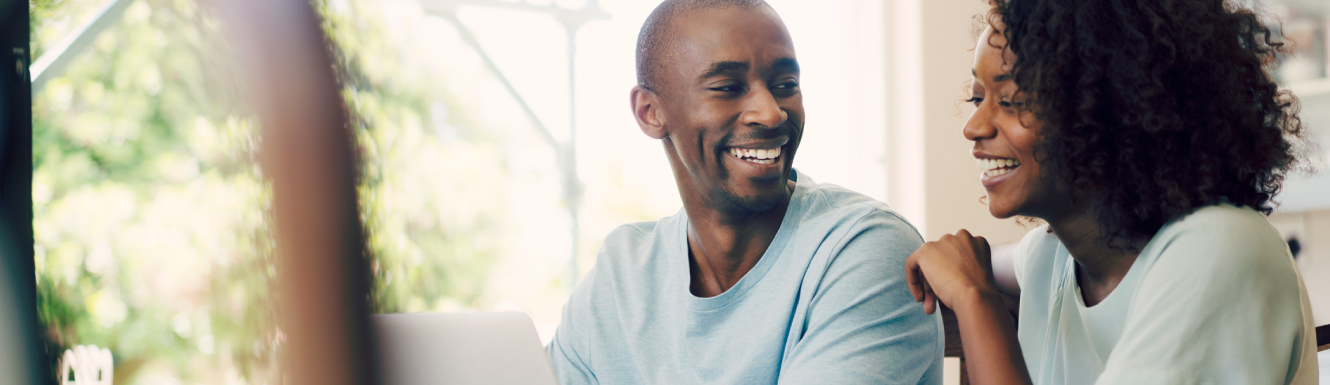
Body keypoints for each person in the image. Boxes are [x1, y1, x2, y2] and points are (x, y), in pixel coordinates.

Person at [903, 0, 1319, 384]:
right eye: (978, 97)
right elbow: (979, 260)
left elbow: (973, 278)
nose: (973, 127)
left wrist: (976, 300)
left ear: (1110, 104)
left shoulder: (1223, 248)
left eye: (1012, 99)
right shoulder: (1054, 259)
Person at [545, 0, 943, 383]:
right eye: (727, 87)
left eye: (786, 84)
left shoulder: (865, 249)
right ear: (651, 112)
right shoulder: (619, 277)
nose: (771, 113)